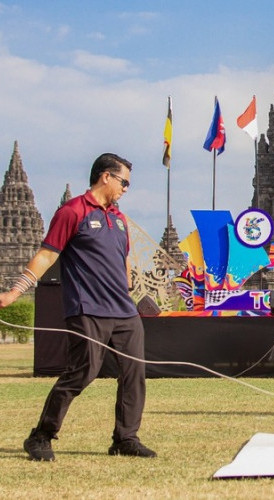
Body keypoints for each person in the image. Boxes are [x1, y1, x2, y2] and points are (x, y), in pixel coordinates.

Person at [0, 153, 157, 460]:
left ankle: (125, 438)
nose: (126, 188)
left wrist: (127, 287)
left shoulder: (119, 219)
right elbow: (47, 255)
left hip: (123, 312)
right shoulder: (73, 212)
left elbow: (122, 257)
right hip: (88, 309)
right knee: (83, 372)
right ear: (106, 177)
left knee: (134, 373)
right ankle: (41, 436)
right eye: (124, 182)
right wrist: (14, 292)